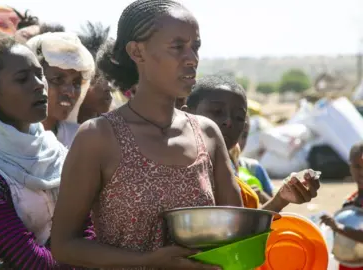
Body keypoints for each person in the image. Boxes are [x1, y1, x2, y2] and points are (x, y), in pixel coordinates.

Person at [50, 1, 242, 269]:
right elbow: (64, 245)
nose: (192, 58)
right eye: (177, 47)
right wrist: (146, 262)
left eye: (195, 46)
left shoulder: (207, 134)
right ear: (136, 51)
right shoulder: (99, 137)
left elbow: (237, 232)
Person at [0, 25, 89, 269]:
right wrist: (85, 258)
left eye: (38, 73)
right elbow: (27, 260)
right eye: (23, 79)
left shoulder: (54, 151)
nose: (39, 85)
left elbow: (86, 223)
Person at [184, 75, 320, 212]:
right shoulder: (173, 164)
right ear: (186, 114)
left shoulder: (229, 171)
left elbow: (239, 229)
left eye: (239, 117)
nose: (229, 122)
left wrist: (281, 199)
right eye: (217, 112)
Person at [27, 32, 95, 147]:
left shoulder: (81, 141)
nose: (70, 92)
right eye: (57, 79)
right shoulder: (3, 138)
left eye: (76, 83)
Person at [321, 141, 363, 270]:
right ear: (350, 167)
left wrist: (338, 227)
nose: (362, 172)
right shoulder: (350, 200)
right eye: (357, 166)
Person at [77, 22, 113, 123]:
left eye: (108, 77)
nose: (108, 86)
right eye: (96, 77)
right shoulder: (58, 133)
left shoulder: (117, 131)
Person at [238, 114, 274, 197]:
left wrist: (261, 195)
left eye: (244, 135)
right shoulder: (210, 170)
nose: (238, 141)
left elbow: (276, 205)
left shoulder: (254, 168)